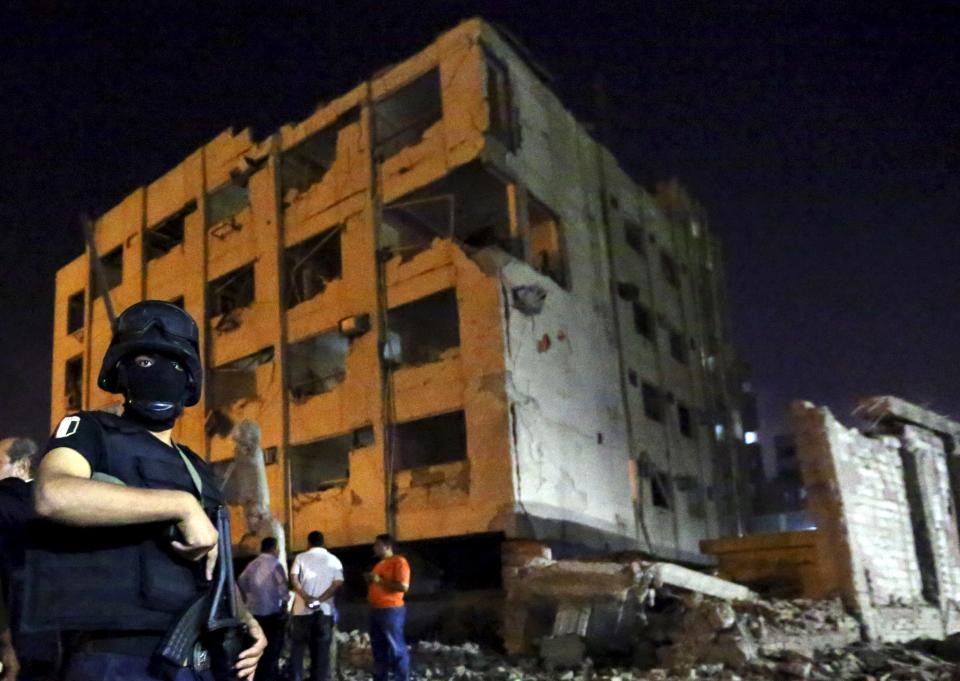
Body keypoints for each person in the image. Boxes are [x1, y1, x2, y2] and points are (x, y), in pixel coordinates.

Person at [24, 300, 266, 681]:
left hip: (196, 660)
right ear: (119, 373)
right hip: (114, 657)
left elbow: (211, 565)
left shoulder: (197, 467)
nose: (157, 374)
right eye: (143, 361)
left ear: (189, 379)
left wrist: (245, 617)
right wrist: (180, 505)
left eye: (171, 364)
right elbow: (52, 495)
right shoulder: (89, 429)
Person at [289, 531, 343, 681]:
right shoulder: (334, 560)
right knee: (321, 654)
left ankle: (296, 677)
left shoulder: (300, 557)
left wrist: (306, 597)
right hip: (324, 613)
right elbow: (337, 584)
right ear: (323, 542)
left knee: (298, 651)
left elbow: (294, 578)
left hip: (301, 613)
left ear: (308, 543)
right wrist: (320, 599)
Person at [237, 537, 287, 681]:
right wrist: (284, 608)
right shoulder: (276, 564)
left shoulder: (252, 565)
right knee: (272, 650)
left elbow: (241, 581)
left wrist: (249, 597)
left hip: (255, 615)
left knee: (256, 648)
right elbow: (283, 589)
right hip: (272, 615)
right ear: (274, 548)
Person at [365, 534, 410, 681]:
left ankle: (401, 678)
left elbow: (403, 586)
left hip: (390, 610)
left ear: (387, 546)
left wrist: (379, 580)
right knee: (379, 650)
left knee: (396, 648)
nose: (374, 547)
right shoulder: (379, 565)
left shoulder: (399, 562)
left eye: (377, 544)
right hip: (376, 610)